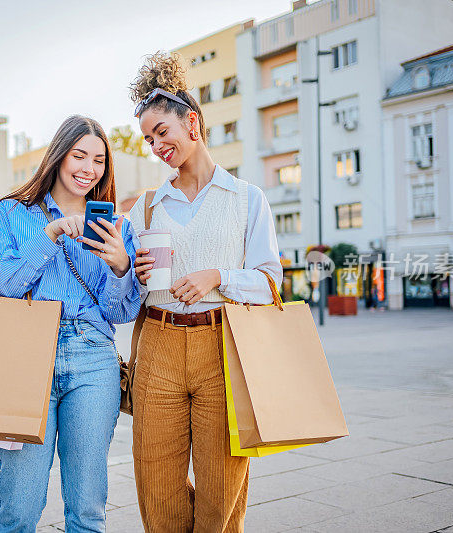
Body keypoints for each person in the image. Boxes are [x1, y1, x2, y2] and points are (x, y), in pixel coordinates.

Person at [128, 52, 283, 532]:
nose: (156, 145)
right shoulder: (149, 205)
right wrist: (131, 272)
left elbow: (270, 284)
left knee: (222, 482)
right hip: (158, 346)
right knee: (157, 481)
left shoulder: (247, 200)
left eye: (162, 132)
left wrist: (219, 276)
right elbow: (120, 288)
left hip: (222, 346)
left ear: (191, 122)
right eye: (149, 138)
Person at [0, 115, 141, 532]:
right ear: (58, 155)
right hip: (25, 358)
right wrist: (48, 236)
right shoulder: (11, 213)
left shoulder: (115, 224)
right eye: (80, 155)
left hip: (93, 360)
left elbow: (121, 313)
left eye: (100, 160)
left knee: (87, 508)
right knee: (18, 504)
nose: (89, 168)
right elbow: (0, 291)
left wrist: (122, 266)